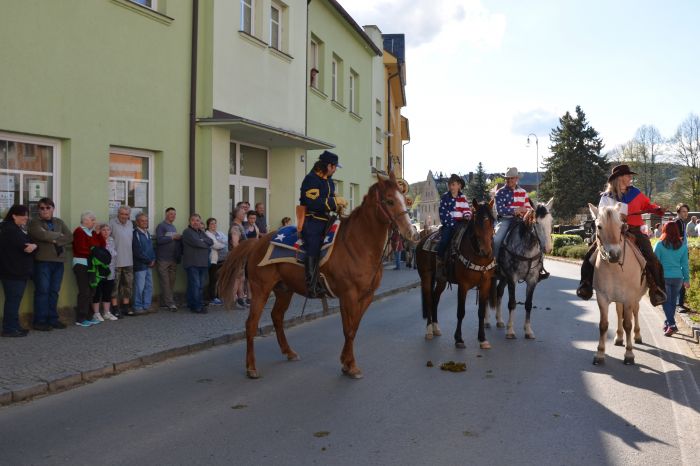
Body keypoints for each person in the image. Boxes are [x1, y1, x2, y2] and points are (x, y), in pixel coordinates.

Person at [577, 164, 667, 305]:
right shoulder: (606, 198)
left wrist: (658, 209)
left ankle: (657, 289)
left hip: (635, 229)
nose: (630, 177)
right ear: (619, 178)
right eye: (627, 175)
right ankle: (585, 285)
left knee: (651, 257)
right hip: (612, 232)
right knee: (589, 256)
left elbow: (647, 205)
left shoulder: (635, 193)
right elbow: (602, 217)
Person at [299, 150, 347, 297]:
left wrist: (337, 205)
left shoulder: (329, 180)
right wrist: (334, 201)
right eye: (335, 167)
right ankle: (311, 285)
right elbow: (313, 202)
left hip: (326, 220)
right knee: (314, 244)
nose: (335, 170)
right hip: (313, 220)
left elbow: (329, 199)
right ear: (328, 166)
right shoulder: (311, 179)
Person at [493, 167, 548, 280]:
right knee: (496, 239)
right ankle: (494, 264)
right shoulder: (500, 192)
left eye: (511, 178)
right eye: (507, 178)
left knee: (538, 236)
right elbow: (500, 210)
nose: (509, 180)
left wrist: (529, 211)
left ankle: (539, 267)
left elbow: (528, 207)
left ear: (517, 178)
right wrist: (516, 210)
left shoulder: (523, 192)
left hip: (522, 220)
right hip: (506, 220)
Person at [28, 197, 73, 330]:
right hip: (43, 261)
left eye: (48, 207)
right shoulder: (34, 222)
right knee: (43, 291)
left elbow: (70, 237)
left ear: (53, 209)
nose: (45, 210)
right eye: (42, 208)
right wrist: (59, 235)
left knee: (54, 291)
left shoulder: (59, 221)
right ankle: (40, 321)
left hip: (58, 262)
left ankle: (53, 319)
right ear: (38, 210)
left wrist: (54, 239)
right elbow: (41, 235)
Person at [0, 205, 37, 337]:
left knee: (14, 300)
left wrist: (33, 245)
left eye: (27, 214)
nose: (26, 217)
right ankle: (9, 329)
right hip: (13, 271)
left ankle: (14, 326)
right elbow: (26, 247)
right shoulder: (11, 230)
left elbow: (30, 244)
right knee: (13, 300)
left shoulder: (14, 228)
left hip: (14, 270)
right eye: (23, 215)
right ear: (14, 215)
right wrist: (33, 246)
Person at [653, 221, 689, 336]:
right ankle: (668, 323)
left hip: (664, 277)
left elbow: (655, 263)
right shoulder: (683, 246)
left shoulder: (659, 245)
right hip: (678, 278)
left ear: (664, 230)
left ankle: (672, 325)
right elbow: (685, 264)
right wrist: (686, 279)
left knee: (666, 302)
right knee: (672, 303)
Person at [73, 211, 106, 327]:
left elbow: (102, 246)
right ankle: (80, 318)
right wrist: (95, 252)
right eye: (92, 220)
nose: (95, 222)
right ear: (85, 221)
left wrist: (98, 233)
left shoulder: (92, 232)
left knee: (91, 291)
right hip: (81, 264)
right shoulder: (79, 231)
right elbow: (81, 249)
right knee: (84, 291)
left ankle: (88, 316)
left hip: (92, 265)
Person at [436, 173, 471, 269]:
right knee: (444, 240)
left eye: (453, 184)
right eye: (449, 185)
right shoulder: (445, 197)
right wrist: (453, 223)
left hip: (461, 224)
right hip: (449, 224)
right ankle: (439, 258)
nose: (451, 187)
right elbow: (443, 212)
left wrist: (467, 216)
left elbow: (466, 209)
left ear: (459, 185)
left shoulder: (463, 197)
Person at [182, 213, 213, 314]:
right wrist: (204, 243)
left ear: (200, 222)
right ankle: (197, 306)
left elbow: (211, 241)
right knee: (196, 285)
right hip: (192, 263)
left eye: (197, 220)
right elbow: (197, 243)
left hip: (203, 263)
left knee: (199, 286)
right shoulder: (187, 232)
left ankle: (193, 304)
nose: (195, 222)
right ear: (189, 222)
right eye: (193, 220)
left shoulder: (201, 232)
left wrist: (202, 240)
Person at [109, 206, 134, 316]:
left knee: (128, 285)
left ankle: (126, 307)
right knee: (115, 286)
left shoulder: (130, 224)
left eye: (126, 214)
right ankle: (114, 308)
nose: (124, 216)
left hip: (128, 259)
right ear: (118, 214)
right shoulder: (112, 223)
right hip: (116, 261)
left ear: (129, 215)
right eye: (122, 214)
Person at [155, 207, 181, 311]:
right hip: (163, 259)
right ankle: (170, 304)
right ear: (166, 214)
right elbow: (159, 240)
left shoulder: (173, 227)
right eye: (171, 214)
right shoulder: (161, 226)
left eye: (174, 214)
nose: (173, 216)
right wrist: (172, 237)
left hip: (173, 259)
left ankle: (167, 301)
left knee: (171, 282)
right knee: (165, 282)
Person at [91, 224, 118, 321]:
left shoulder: (111, 240)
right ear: (100, 231)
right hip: (100, 270)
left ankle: (107, 312)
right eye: (103, 230)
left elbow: (113, 254)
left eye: (108, 230)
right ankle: (96, 313)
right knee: (97, 292)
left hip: (110, 269)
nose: (106, 232)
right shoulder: (96, 240)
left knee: (108, 291)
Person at [132, 212, 155, 314]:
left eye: (146, 220)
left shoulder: (147, 233)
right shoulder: (135, 233)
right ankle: (137, 307)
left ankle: (147, 305)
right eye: (142, 221)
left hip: (149, 264)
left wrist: (153, 259)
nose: (145, 222)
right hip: (140, 265)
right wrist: (149, 261)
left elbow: (151, 248)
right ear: (137, 222)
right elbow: (137, 251)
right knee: (139, 287)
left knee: (149, 286)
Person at [205, 217, 228, 305]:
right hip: (213, 260)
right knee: (213, 279)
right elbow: (215, 245)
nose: (214, 225)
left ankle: (218, 296)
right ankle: (212, 298)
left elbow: (226, 240)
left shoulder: (219, 233)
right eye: (212, 223)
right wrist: (222, 244)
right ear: (208, 225)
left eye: (215, 223)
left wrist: (221, 243)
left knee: (220, 279)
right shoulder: (207, 234)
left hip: (222, 259)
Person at [229, 206, 248, 308]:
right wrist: (241, 254)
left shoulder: (240, 226)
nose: (244, 215)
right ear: (237, 214)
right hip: (237, 256)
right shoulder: (235, 227)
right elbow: (235, 243)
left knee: (242, 278)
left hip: (242, 256)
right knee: (236, 278)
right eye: (243, 213)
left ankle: (241, 300)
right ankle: (233, 301)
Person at [674, 203, 690, 311]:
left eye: (686, 211)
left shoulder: (681, 222)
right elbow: (678, 240)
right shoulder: (678, 222)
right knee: (680, 277)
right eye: (683, 211)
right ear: (678, 212)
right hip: (679, 254)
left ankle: (679, 303)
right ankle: (678, 304)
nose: (686, 213)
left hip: (681, 253)